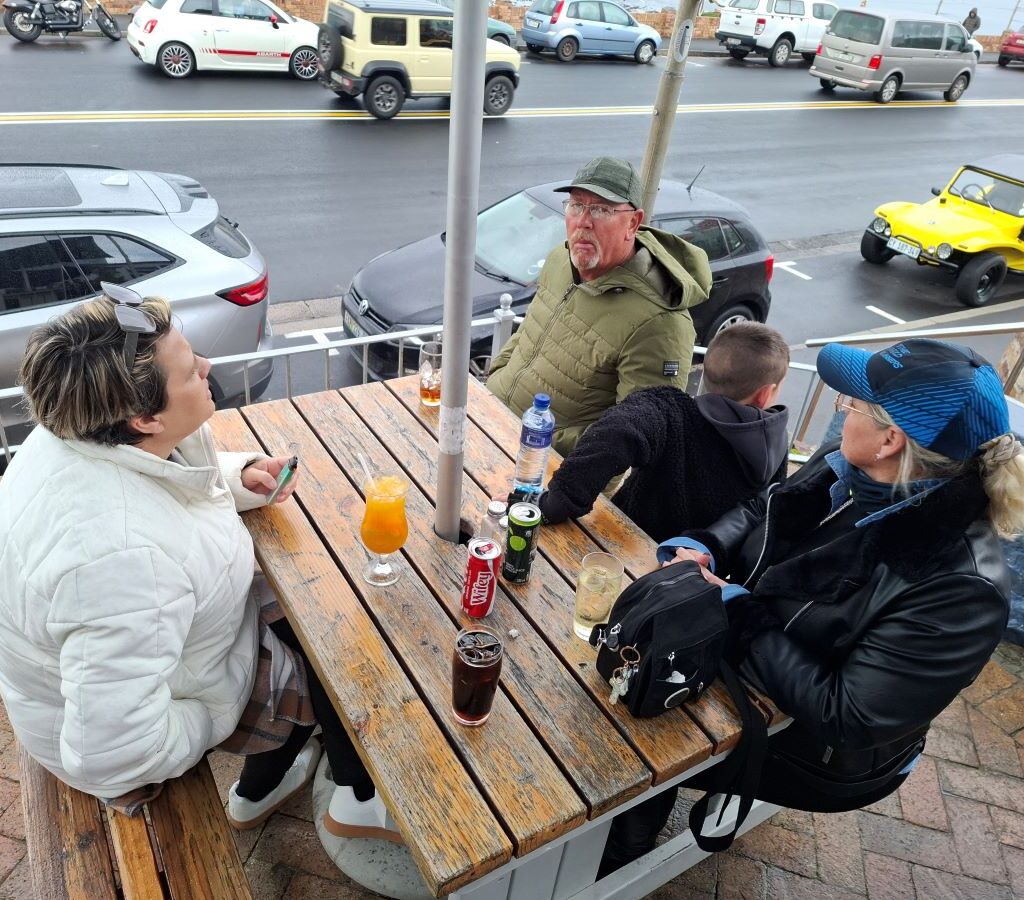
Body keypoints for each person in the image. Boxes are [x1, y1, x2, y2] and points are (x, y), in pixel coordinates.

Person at [600, 338, 1019, 874]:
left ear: (890, 438)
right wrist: (708, 544)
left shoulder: (960, 590)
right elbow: (763, 507)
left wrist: (731, 608)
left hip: (818, 750)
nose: (842, 410)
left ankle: (618, 857)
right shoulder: (852, 464)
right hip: (755, 648)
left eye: (852, 404)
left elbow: (846, 716)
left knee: (638, 722)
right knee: (640, 668)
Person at [0, 286, 398, 842]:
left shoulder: (74, 431)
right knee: (340, 670)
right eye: (189, 371)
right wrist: (215, 714)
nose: (207, 366)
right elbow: (111, 752)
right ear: (143, 418)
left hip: (170, 642)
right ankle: (356, 797)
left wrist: (240, 475)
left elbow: (156, 487)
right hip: (152, 717)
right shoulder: (118, 562)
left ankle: (260, 791)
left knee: (320, 623)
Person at [487, 156, 712, 457]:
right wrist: (496, 378)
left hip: (542, 466)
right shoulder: (560, 259)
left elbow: (632, 437)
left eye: (601, 209)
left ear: (633, 222)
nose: (583, 221)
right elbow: (529, 330)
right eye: (576, 205)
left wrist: (548, 451)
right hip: (488, 418)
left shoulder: (661, 322)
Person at [538, 323, 791, 543]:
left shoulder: (671, 410)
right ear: (765, 394)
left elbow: (617, 430)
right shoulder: (775, 445)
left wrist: (556, 504)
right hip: (692, 576)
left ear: (706, 370)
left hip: (623, 544)